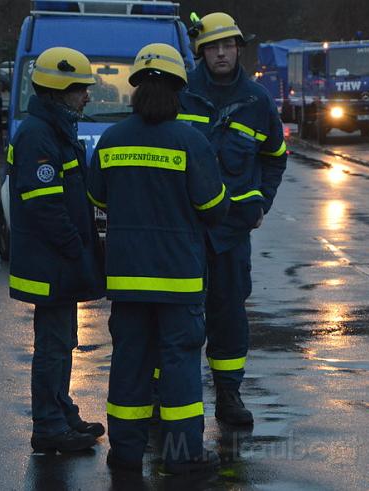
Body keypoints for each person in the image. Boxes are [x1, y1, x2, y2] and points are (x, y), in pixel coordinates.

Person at [87, 43, 229, 474]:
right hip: (178, 280)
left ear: (135, 91)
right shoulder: (191, 141)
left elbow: (96, 196)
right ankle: (183, 457)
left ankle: (125, 453)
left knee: (129, 363)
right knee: (180, 365)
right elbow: (214, 207)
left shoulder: (111, 139)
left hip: (127, 279)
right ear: (178, 92)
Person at [179, 11, 288, 427]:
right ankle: (162, 397)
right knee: (178, 316)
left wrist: (263, 204)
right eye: (213, 47)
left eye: (227, 45)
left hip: (232, 233)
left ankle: (228, 395)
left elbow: (275, 158)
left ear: (238, 49)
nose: (221, 53)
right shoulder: (182, 92)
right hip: (187, 230)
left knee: (228, 317)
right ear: (201, 52)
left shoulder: (258, 100)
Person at [7, 47, 106, 452]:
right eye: (80, 89)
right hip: (50, 264)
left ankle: (61, 410)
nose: (86, 96)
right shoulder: (37, 135)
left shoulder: (53, 129)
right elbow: (46, 206)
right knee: (51, 345)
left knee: (63, 341)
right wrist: (76, 248)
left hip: (57, 263)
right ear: (59, 90)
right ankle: (48, 427)